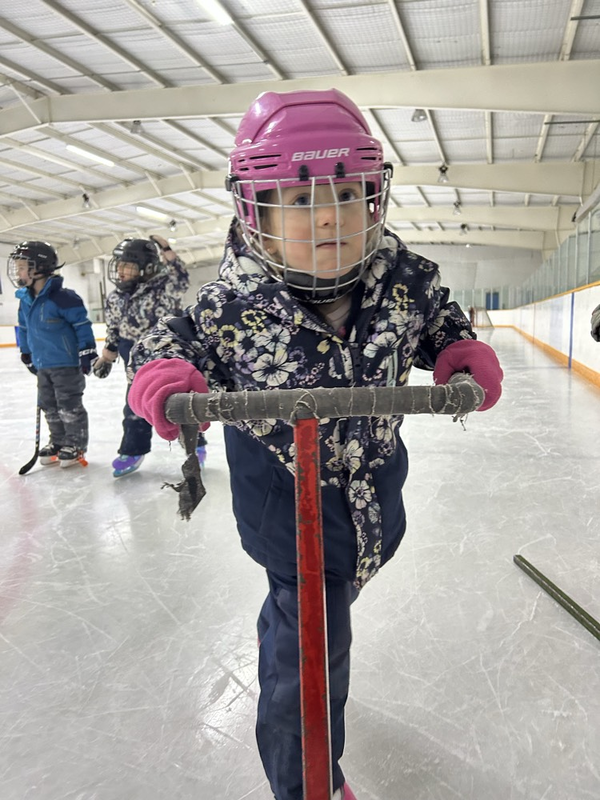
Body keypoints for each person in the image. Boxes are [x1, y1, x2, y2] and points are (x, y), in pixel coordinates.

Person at [126, 90, 504, 800]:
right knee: (306, 653)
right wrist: (165, 376)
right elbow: (169, 346)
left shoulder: (407, 279)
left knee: (334, 606)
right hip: (285, 506)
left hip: (375, 496)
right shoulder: (227, 306)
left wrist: (459, 351)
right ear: (255, 211)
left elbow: (440, 326)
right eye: (298, 201)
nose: (328, 214)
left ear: (374, 197)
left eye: (347, 192)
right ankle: (307, 784)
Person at [92, 234, 207, 476]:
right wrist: (107, 356)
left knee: (179, 401)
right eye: (119, 265)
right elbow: (113, 328)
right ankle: (133, 449)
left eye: (128, 266)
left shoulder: (163, 288)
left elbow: (181, 278)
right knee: (134, 405)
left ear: (146, 268)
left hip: (165, 354)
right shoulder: (115, 297)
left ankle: (194, 445)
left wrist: (166, 249)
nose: (121, 271)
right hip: (132, 356)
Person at [9, 240, 97, 467]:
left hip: (66, 363)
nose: (17, 272)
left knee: (68, 405)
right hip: (43, 364)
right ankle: (58, 441)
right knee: (49, 405)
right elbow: (25, 328)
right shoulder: (25, 300)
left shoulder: (64, 297)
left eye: (21, 267)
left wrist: (87, 350)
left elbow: (82, 325)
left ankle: (75, 443)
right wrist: (26, 354)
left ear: (39, 268)